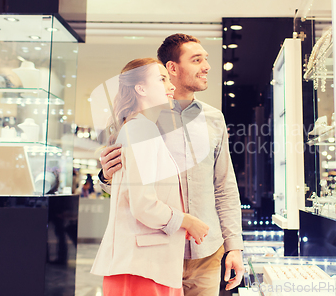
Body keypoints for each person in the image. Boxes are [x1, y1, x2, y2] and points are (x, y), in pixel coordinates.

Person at [98, 34, 244, 295]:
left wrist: (234, 246)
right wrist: (106, 175)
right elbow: (127, 188)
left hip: (207, 254)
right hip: (155, 253)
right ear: (172, 68)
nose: (207, 67)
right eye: (197, 60)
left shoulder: (214, 119)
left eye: (205, 59)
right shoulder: (143, 118)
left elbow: (224, 185)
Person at [91, 58, 209, 296]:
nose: (171, 85)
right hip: (143, 268)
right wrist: (187, 221)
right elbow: (143, 204)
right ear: (141, 88)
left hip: (144, 264)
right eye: (162, 78)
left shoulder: (138, 127)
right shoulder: (141, 128)